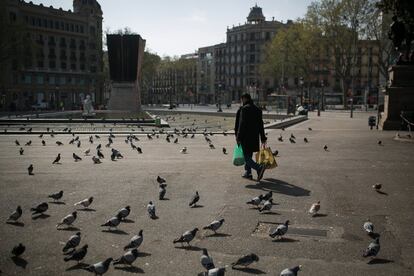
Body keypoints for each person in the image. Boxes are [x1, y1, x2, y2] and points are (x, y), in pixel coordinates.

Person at [234, 93, 267, 181]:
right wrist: (263, 137)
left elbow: (241, 124)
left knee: (246, 157)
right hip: (255, 137)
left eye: (242, 99)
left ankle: (259, 168)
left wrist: (238, 137)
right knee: (249, 155)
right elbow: (261, 125)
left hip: (245, 137)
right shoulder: (257, 109)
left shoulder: (244, 109)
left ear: (244, 99)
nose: (242, 101)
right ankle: (248, 173)